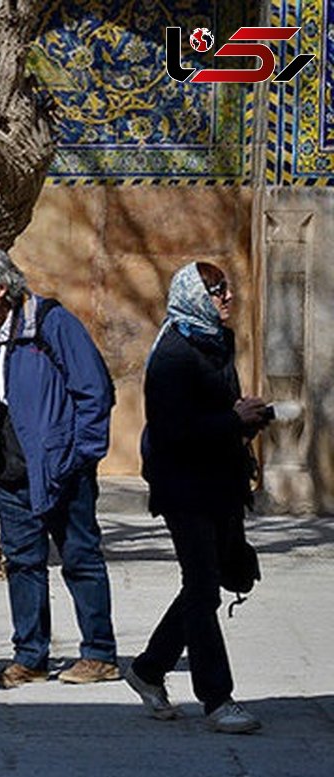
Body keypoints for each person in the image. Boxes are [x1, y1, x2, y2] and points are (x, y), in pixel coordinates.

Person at [0, 247, 118, 688]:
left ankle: (100, 653)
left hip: (60, 468)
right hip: (8, 472)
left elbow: (94, 392)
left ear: (0, 288)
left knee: (80, 558)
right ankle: (30, 656)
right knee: (22, 562)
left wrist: (80, 455)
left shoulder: (52, 324)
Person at [125, 261, 267, 733]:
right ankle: (217, 699)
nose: (226, 297)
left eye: (226, 288)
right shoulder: (173, 355)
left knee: (206, 584)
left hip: (220, 482)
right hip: (182, 486)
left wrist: (249, 417)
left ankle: (147, 669)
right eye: (215, 290)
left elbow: (222, 407)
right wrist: (233, 420)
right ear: (192, 295)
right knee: (203, 588)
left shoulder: (216, 340)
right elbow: (172, 432)